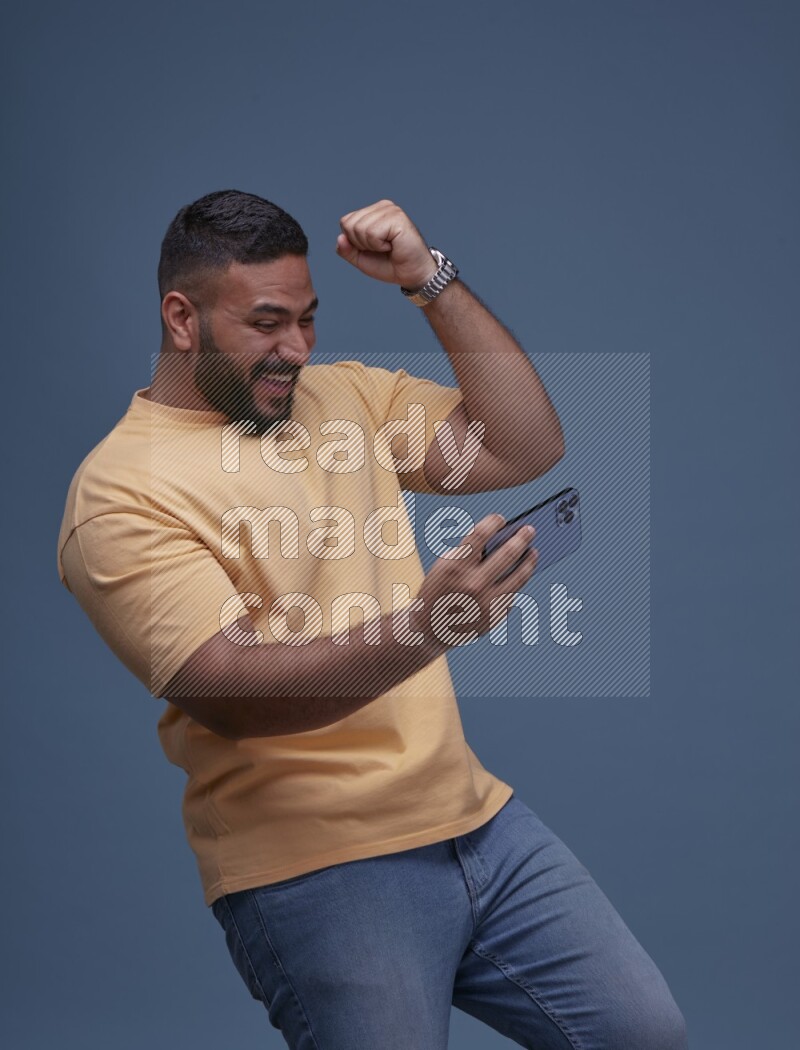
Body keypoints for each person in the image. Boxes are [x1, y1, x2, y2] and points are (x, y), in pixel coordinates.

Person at [57, 189, 687, 1049]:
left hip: (477, 825)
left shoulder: (345, 398)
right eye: (267, 323)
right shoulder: (120, 494)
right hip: (315, 866)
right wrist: (427, 628)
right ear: (181, 319)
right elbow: (233, 693)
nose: (297, 350)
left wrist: (431, 281)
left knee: (645, 1035)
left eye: (308, 319)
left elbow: (525, 444)